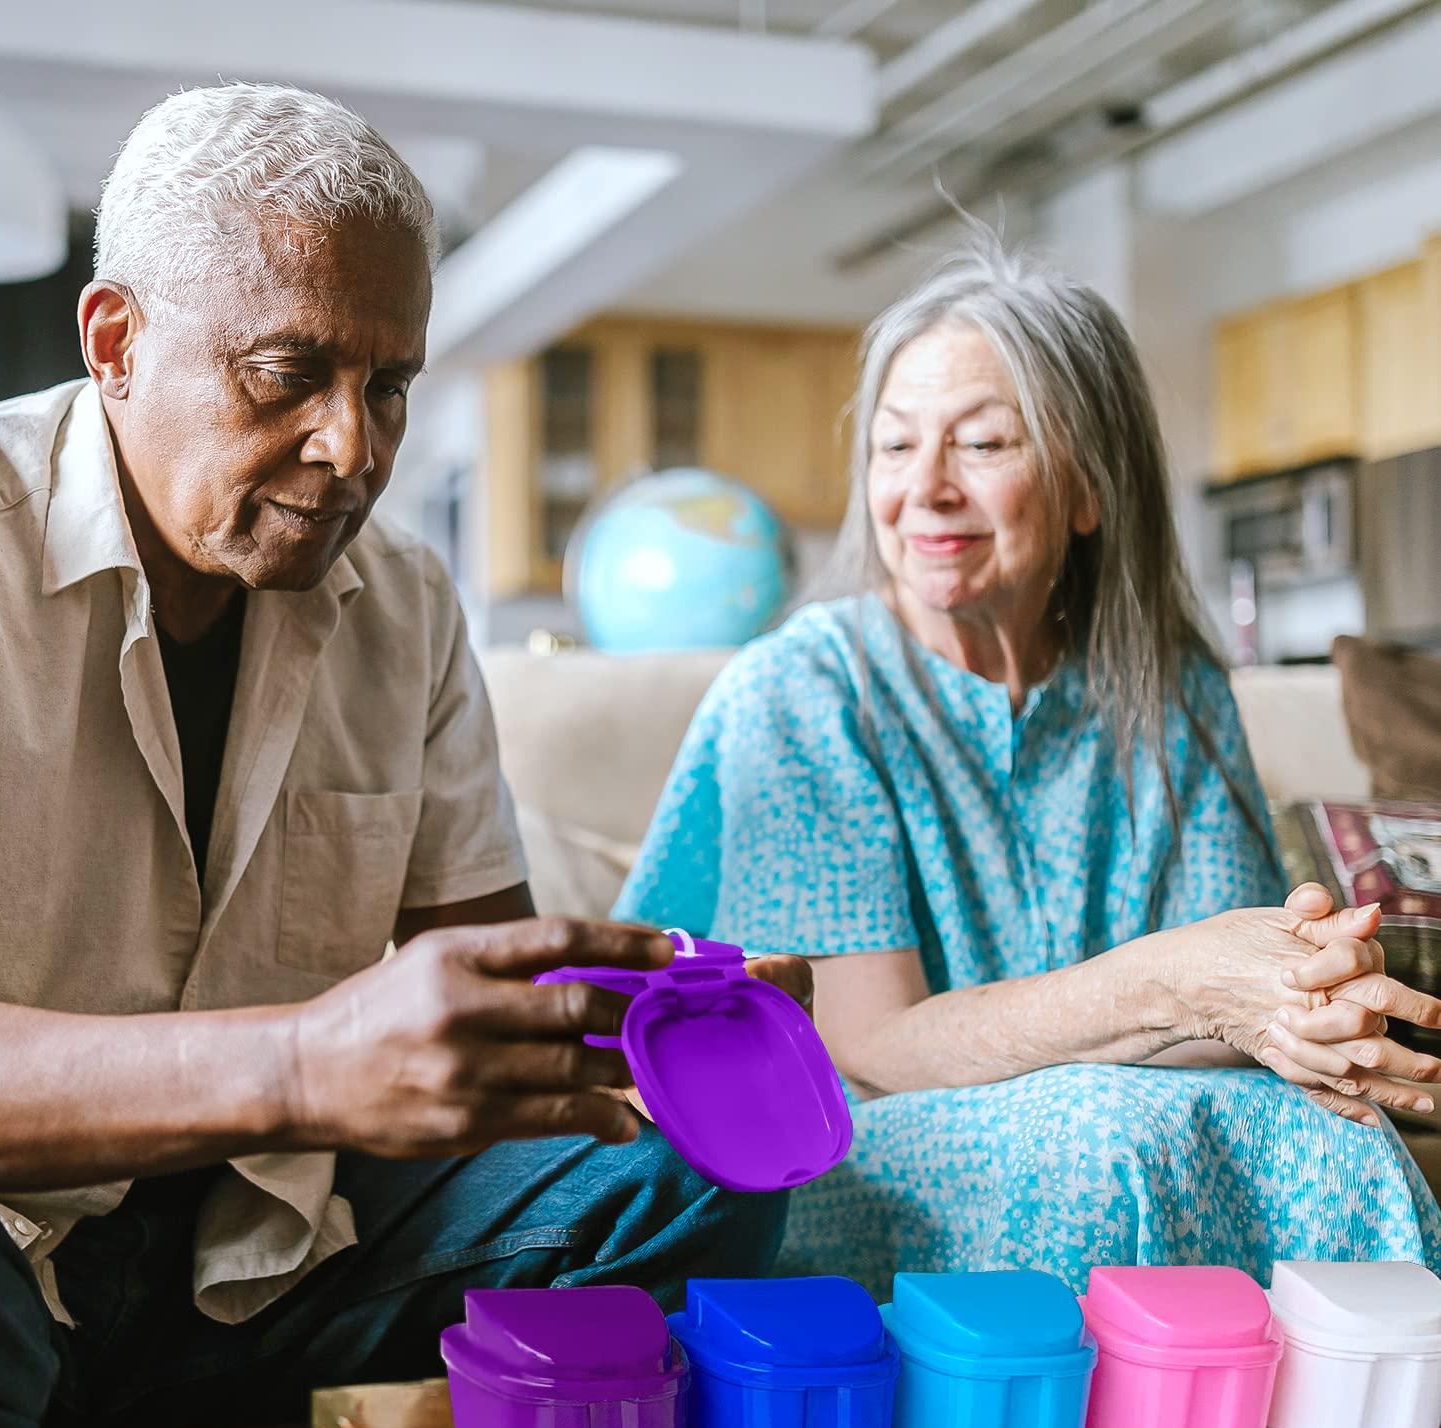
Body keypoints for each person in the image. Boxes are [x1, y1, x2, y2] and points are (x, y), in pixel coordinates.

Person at [0, 85, 797, 1428]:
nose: (357, 448)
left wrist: (656, 1021)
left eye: (389, 384)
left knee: (689, 1176)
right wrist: (298, 1064)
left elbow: (490, 989)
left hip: (277, 1250)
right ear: (115, 344)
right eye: (291, 372)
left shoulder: (400, 600)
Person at [615, 230, 1441, 1294]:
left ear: (1089, 490)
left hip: (1094, 1103)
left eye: (984, 444)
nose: (926, 490)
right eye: (896, 445)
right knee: (1096, 1145)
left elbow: (1218, 1009)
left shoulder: (1171, 685)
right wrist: (1170, 983)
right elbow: (872, 1044)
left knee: (1330, 1128)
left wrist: (1297, 1005)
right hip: (834, 1141)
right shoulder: (803, 690)